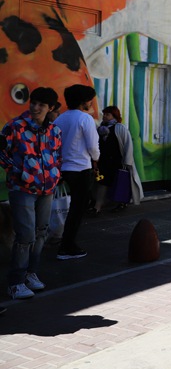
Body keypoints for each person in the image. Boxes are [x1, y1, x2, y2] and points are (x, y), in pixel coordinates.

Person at [1, 87, 63, 299]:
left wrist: (55, 174)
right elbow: (1, 152)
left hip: (47, 189)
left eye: (41, 105)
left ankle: (30, 274)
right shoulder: (15, 127)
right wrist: (18, 172)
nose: (35, 107)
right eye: (33, 102)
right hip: (22, 189)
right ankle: (16, 282)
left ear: (51, 108)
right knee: (25, 235)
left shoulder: (55, 131)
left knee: (41, 231)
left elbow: (56, 156)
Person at [53, 84, 100, 260]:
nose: (91, 103)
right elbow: (93, 147)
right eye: (90, 100)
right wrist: (96, 159)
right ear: (84, 101)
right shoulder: (85, 119)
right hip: (81, 169)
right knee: (77, 209)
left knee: (66, 206)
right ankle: (67, 246)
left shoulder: (59, 120)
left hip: (62, 169)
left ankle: (60, 240)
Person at [94, 105, 143, 213]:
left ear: (114, 116)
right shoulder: (100, 129)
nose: (105, 117)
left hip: (117, 162)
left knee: (119, 182)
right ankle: (97, 206)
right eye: (104, 114)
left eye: (108, 114)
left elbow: (127, 145)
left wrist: (127, 162)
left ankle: (121, 203)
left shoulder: (120, 128)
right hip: (104, 162)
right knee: (102, 182)